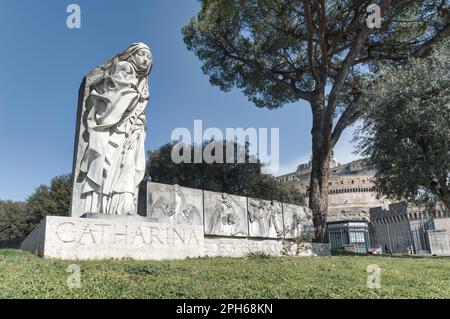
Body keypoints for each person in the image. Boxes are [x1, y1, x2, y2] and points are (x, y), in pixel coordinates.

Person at [79, 43, 153, 215]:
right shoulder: (122, 67)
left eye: (149, 58)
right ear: (133, 55)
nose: (145, 60)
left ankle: (123, 206)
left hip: (133, 129)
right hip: (113, 126)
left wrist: (139, 123)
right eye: (142, 54)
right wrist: (135, 95)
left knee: (130, 166)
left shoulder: (144, 81)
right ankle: (101, 206)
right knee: (107, 165)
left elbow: (140, 107)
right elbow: (114, 96)